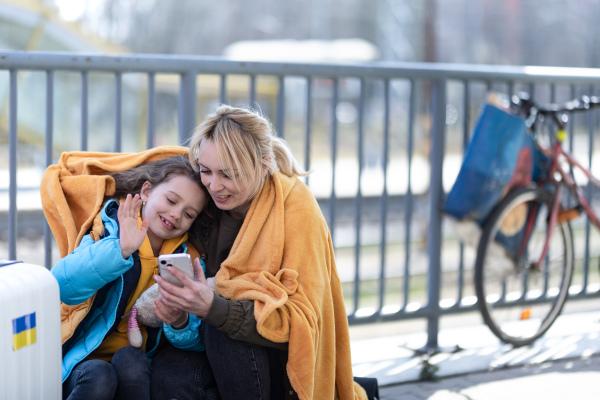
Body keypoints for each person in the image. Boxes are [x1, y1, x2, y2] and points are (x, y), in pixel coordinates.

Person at [152, 105, 369, 399]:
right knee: (168, 371)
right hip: (202, 342)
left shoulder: (298, 212)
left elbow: (304, 324)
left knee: (222, 335)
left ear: (265, 164)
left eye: (229, 175)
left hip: (277, 364)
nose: (215, 186)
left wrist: (214, 309)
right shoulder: (199, 199)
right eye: (205, 171)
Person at [51, 156, 218, 400]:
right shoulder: (107, 230)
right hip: (84, 363)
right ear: (147, 190)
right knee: (100, 374)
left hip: (137, 365)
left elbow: (194, 342)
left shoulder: (188, 260)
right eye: (171, 200)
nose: (175, 214)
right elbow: (62, 285)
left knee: (130, 358)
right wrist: (120, 250)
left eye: (189, 214)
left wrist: (179, 322)